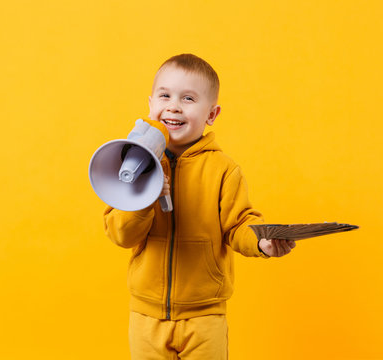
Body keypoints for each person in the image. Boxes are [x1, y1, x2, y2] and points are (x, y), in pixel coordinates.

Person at [103, 53, 297, 359]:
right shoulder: (130, 162)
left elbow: (238, 225)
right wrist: (143, 198)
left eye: (188, 98)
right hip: (146, 317)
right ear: (151, 103)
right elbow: (121, 235)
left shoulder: (224, 170)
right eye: (165, 95)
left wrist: (261, 242)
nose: (174, 106)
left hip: (205, 317)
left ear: (212, 113)